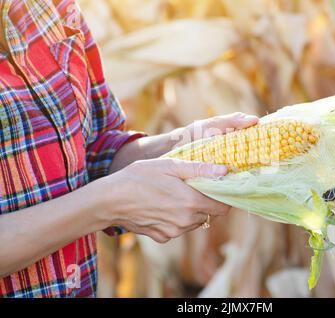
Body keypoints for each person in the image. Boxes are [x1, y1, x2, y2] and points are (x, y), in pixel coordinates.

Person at [0, 0, 259, 297]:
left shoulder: (53, 8)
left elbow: (91, 150)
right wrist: (108, 204)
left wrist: (182, 147)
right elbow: (103, 196)